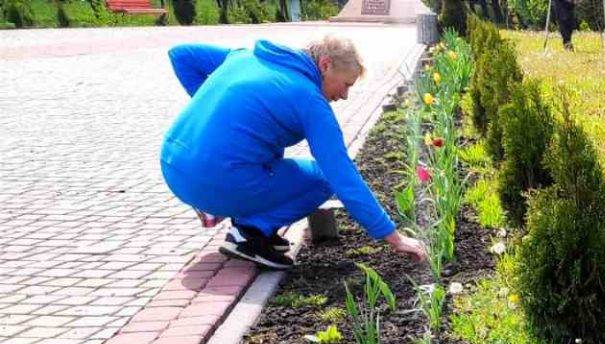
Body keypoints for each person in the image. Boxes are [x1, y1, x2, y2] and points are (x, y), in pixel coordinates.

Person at [160, 36, 428, 270]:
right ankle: (249, 232)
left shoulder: (246, 57)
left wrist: (212, 110)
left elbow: (181, 54)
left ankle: (218, 203)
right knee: (322, 178)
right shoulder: (309, 100)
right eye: (346, 84)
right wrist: (394, 237)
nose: (345, 96)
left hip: (174, 166)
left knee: (263, 158)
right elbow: (342, 176)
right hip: (217, 179)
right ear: (325, 66)